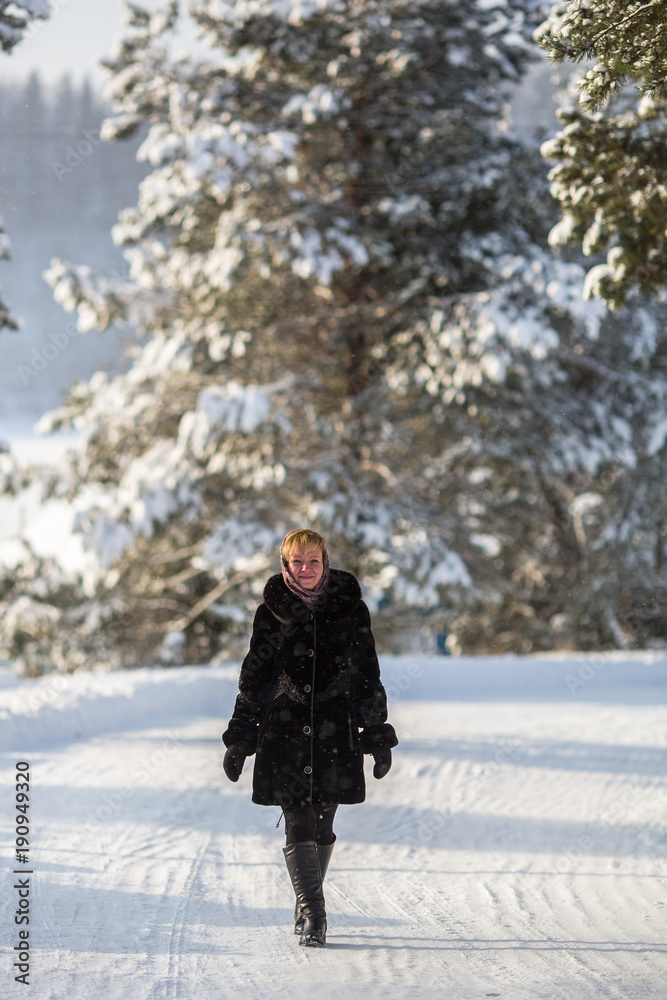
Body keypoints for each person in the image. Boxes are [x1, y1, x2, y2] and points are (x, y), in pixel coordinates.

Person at [222, 528, 398, 948]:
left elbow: (367, 676)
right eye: (297, 561)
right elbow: (254, 680)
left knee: (324, 823)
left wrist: (376, 734)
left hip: (335, 732)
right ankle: (315, 916)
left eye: (313, 561)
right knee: (298, 818)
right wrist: (240, 739)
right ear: (286, 565)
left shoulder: (351, 611)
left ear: (326, 563)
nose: (306, 569)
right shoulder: (271, 614)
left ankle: (305, 902)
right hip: (284, 733)